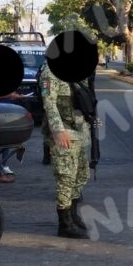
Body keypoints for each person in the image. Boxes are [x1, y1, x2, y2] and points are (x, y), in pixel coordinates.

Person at [41, 64, 95, 239]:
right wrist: (57, 130)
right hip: (63, 132)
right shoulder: (50, 71)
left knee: (81, 175)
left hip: (79, 131)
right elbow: (49, 103)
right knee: (66, 178)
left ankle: (72, 214)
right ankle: (65, 225)